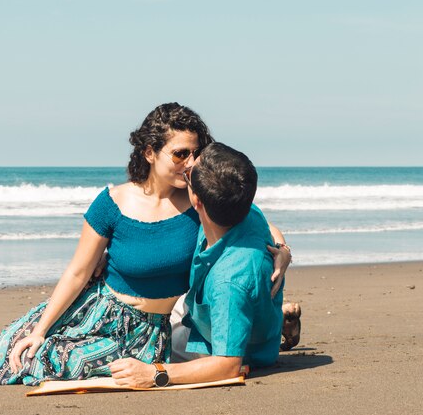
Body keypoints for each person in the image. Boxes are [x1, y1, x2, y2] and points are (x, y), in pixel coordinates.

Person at [0, 103, 291, 386]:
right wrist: (41, 329)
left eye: (196, 153)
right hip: (94, 309)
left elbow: (249, 218)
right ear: (150, 152)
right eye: (180, 154)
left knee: (48, 362)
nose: (190, 163)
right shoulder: (112, 203)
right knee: (0, 361)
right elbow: (78, 273)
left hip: (149, 331)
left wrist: (282, 252)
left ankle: (273, 326)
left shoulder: (200, 200)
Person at [109, 142, 288, 387]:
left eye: (190, 174)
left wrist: (154, 373)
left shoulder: (228, 283)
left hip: (217, 346)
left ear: (197, 201)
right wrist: (283, 250)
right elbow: (270, 229)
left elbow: (228, 364)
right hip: (204, 310)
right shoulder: (242, 209)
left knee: (131, 353)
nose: (189, 163)